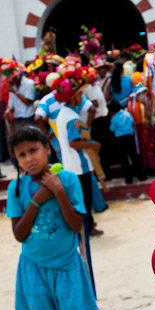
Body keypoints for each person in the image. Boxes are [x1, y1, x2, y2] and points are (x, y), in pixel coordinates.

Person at [6, 126, 106, 310]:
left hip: (66, 268)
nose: (29, 159)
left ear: (48, 148)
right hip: (33, 270)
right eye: (21, 155)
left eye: (33, 150)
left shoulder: (69, 180)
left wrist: (59, 192)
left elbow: (76, 226)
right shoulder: (16, 189)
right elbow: (19, 235)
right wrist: (37, 200)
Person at [52, 71, 103, 236]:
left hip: (72, 165)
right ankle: (87, 228)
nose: (81, 97)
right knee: (84, 200)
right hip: (79, 166)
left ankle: (86, 226)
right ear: (73, 97)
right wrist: (92, 144)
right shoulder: (71, 117)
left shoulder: (64, 114)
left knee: (81, 199)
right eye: (79, 94)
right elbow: (73, 142)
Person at [108, 100, 145, 184]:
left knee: (124, 159)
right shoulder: (127, 114)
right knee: (134, 157)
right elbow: (132, 121)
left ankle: (129, 179)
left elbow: (112, 129)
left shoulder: (114, 118)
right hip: (130, 137)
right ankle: (141, 176)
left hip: (120, 139)